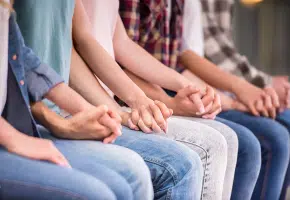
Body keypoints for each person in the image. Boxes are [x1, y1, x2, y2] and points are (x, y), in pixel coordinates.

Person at [14, 0, 205, 199]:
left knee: (205, 150)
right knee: (166, 167)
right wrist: (130, 103)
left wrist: (113, 110)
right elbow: (21, 61)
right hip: (31, 117)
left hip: (77, 105)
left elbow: (70, 47)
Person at [118, 0, 267, 199]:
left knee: (240, 140)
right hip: (131, 93)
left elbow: (183, 57)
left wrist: (200, 91)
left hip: (164, 89)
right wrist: (167, 100)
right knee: (215, 147)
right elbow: (117, 59)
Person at [0, 1, 150, 199]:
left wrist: (89, 111)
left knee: (129, 178)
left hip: (38, 121)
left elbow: (20, 55)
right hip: (25, 122)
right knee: (100, 192)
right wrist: (17, 138)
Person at [200, 0, 290, 199]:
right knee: (272, 139)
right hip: (198, 85)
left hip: (209, 85)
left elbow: (222, 47)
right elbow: (194, 56)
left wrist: (257, 88)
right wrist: (261, 84)